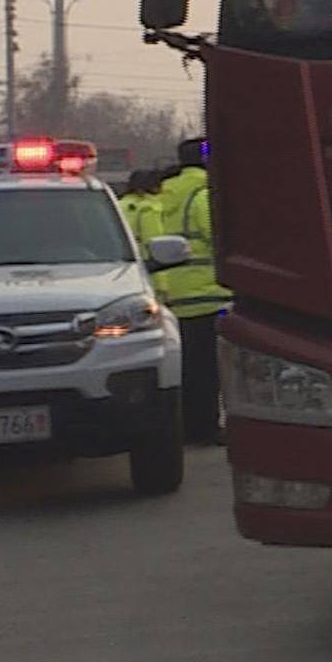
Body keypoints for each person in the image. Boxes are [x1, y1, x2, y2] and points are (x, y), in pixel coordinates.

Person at [144, 138, 230, 445]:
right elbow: (220, 234)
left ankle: (188, 427)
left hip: (173, 293)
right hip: (208, 292)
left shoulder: (164, 192)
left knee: (187, 368)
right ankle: (206, 429)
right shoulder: (204, 192)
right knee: (210, 370)